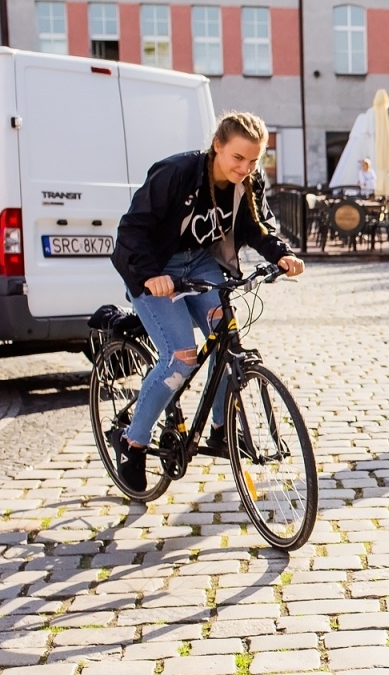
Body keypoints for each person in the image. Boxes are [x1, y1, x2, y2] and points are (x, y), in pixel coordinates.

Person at [110, 112, 304, 493]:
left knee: (225, 335)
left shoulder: (246, 182)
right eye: (238, 158)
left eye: (253, 160)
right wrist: (150, 274)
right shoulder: (176, 173)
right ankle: (132, 442)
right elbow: (132, 229)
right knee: (181, 355)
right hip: (156, 267)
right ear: (218, 146)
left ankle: (220, 429)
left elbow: (254, 226)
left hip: (200, 263)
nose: (245, 168)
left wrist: (280, 254)